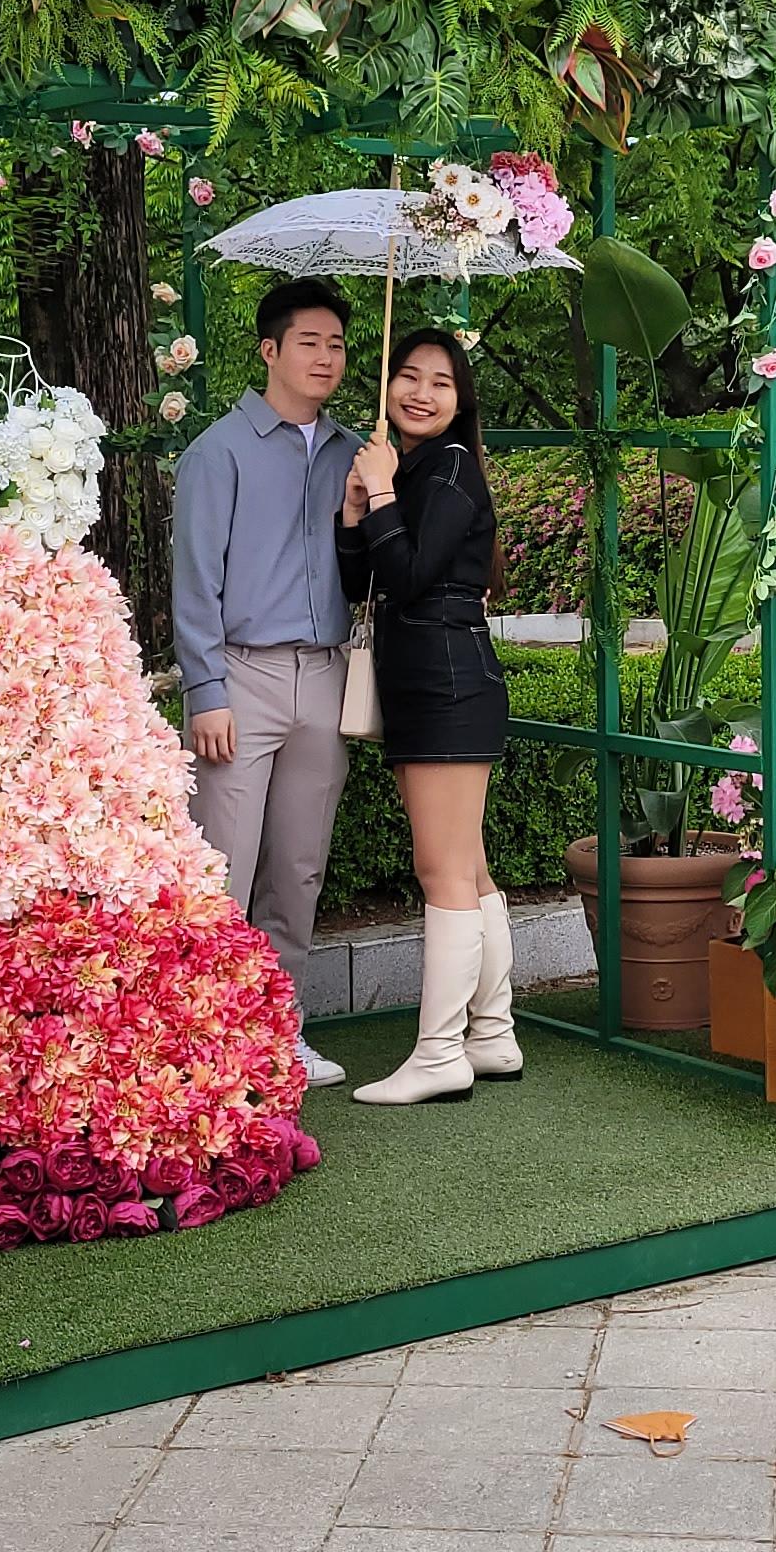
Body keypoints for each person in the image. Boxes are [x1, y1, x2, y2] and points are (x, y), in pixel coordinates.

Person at [170, 277, 362, 1087]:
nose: (326, 357)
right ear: (269, 350)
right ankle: (208, 1040)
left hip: (325, 675)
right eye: (309, 342)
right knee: (222, 866)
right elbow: (194, 581)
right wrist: (205, 690)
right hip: (242, 676)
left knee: (299, 869)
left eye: (338, 345)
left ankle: (281, 1031)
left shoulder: (356, 453)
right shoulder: (218, 452)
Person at [335, 326, 519, 1105]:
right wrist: (358, 506)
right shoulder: (411, 469)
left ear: (460, 400)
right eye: (407, 376)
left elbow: (409, 577)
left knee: (440, 870)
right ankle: (493, 1033)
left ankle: (441, 1052)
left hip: (448, 687)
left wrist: (381, 493)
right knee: (466, 866)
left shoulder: (448, 468)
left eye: (440, 382)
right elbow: (363, 583)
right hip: (426, 684)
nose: (420, 392)